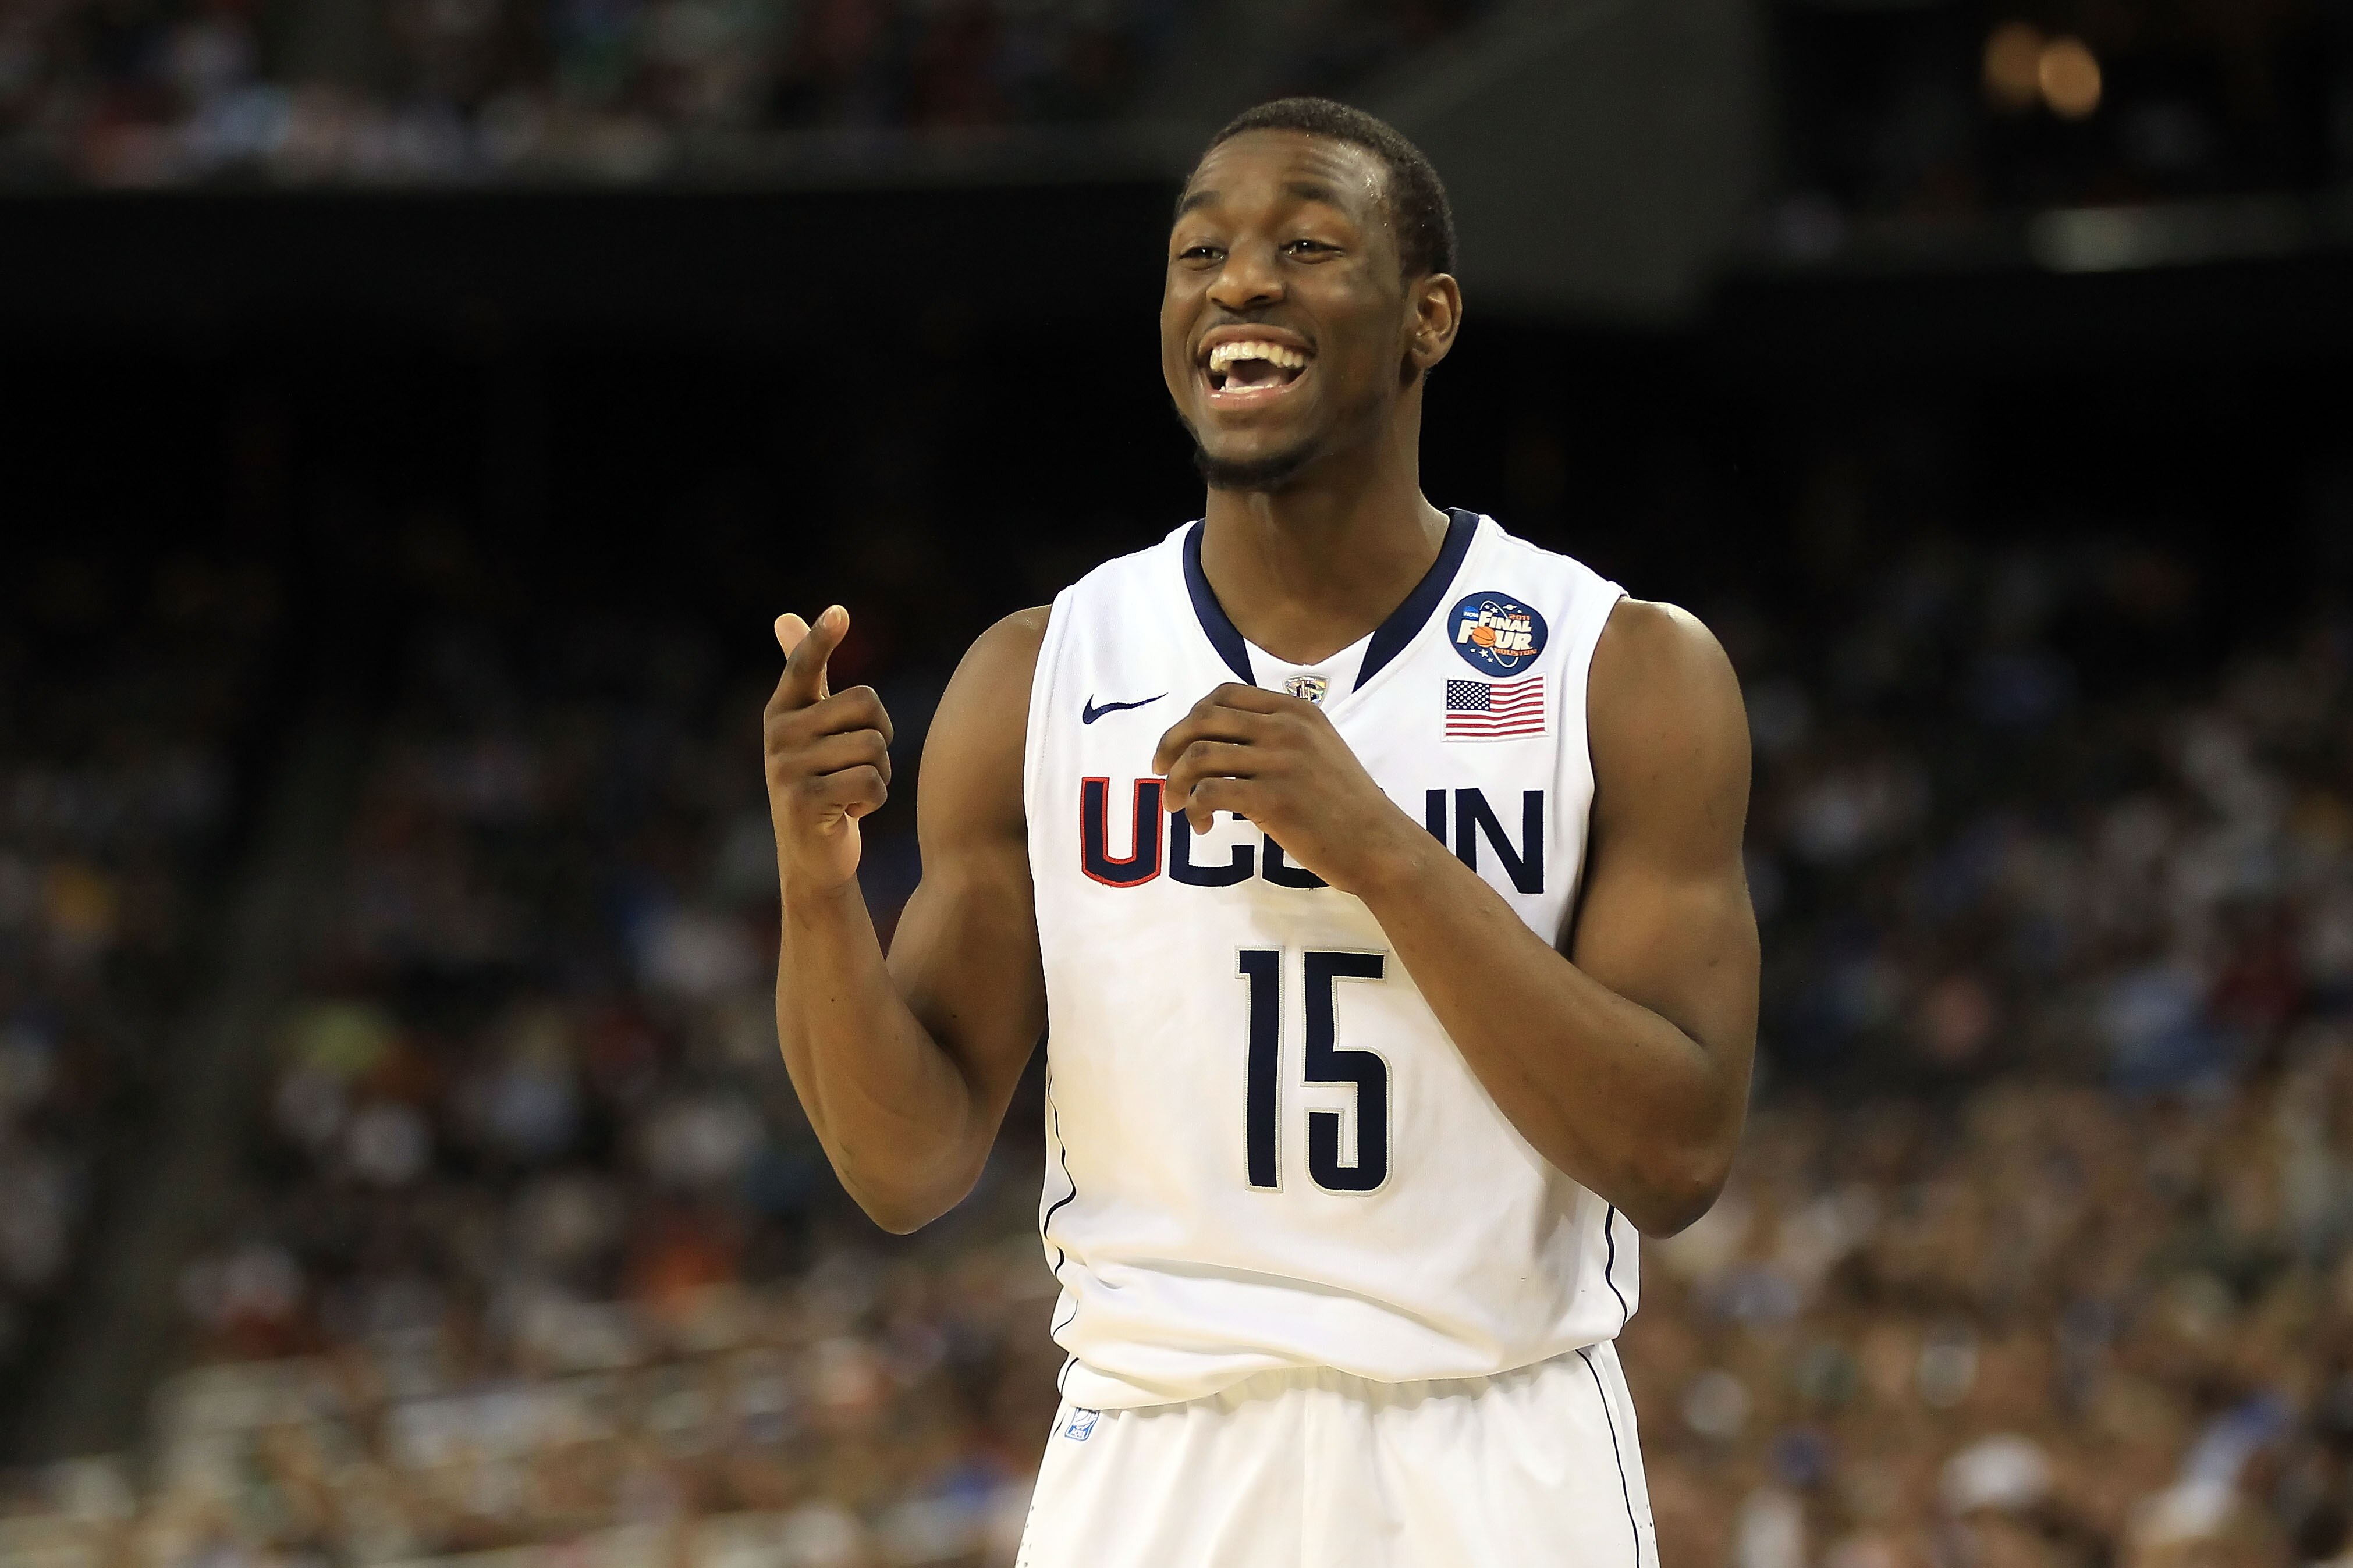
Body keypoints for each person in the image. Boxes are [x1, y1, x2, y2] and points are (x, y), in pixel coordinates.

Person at [763, 97, 1758, 1567]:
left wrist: (1381, 849)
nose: (1238, 282)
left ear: (1429, 317)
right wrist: (812, 884)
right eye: (1198, 252)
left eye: (1305, 244)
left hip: (1493, 1441)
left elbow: (1675, 1156)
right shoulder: (1041, 674)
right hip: (1154, 1453)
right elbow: (905, 1168)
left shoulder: (1619, 667)